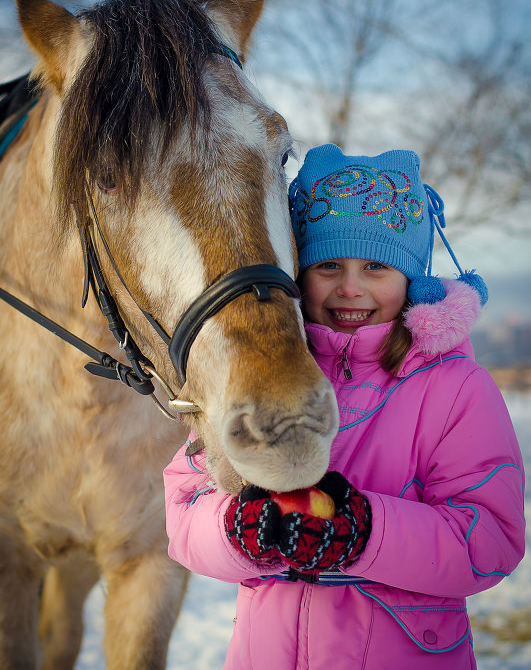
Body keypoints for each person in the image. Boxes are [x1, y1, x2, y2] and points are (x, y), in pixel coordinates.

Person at [164, 145, 525, 669]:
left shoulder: (455, 389)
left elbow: (489, 540)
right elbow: (183, 511)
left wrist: (366, 531)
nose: (350, 287)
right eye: (328, 264)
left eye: (376, 266)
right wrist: (235, 529)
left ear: (412, 279)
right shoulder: (262, 380)